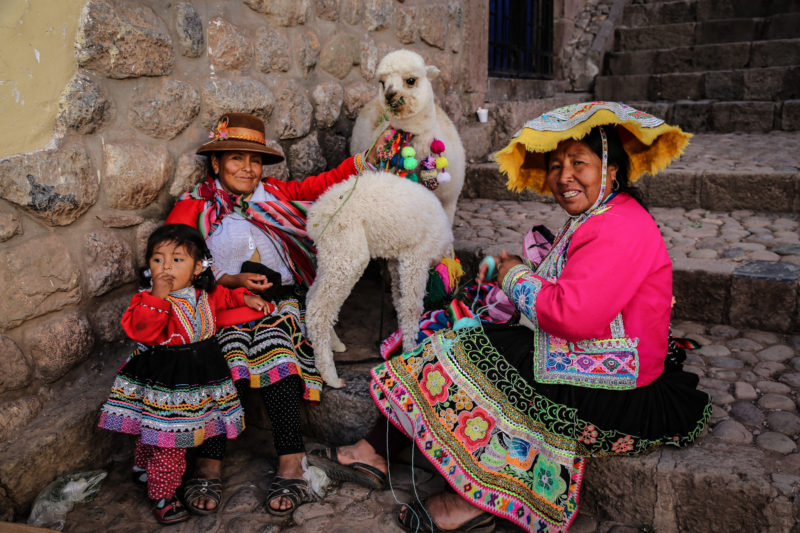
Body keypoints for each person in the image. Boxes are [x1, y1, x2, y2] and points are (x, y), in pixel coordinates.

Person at [307, 102, 712, 532]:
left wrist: (513, 274)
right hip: (591, 353)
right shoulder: (600, 216)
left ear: (611, 170)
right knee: (465, 335)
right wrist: (518, 271)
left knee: (471, 351)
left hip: (614, 380)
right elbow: (573, 293)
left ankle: (478, 500)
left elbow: (572, 315)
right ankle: (373, 454)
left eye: (579, 163)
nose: (564, 176)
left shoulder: (620, 226)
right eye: (556, 166)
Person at [164, 112, 373, 516]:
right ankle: (210, 460)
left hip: (280, 303)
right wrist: (229, 282)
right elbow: (171, 266)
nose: (247, 168)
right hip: (221, 305)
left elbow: (322, 185)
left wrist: (366, 159)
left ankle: (291, 461)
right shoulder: (194, 206)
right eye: (236, 159)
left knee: (277, 350)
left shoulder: (273, 194)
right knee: (220, 360)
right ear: (216, 163)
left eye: (255, 160)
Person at [98, 224, 271, 525]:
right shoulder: (146, 300)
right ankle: (163, 495)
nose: (165, 266)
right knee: (170, 440)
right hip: (165, 379)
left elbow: (226, 300)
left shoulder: (204, 293)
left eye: (177, 259)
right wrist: (158, 297)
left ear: (198, 267)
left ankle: (144, 470)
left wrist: (244, 298)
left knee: (159, 431)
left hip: (199, 375)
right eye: (157, 259)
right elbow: (143, 330)